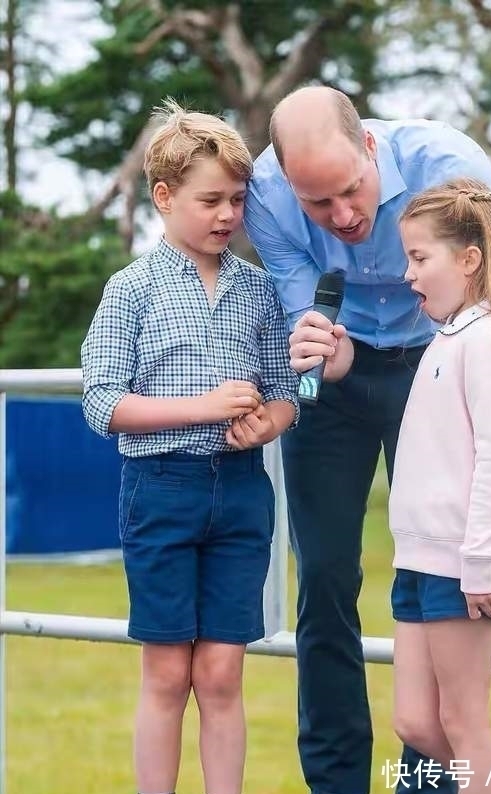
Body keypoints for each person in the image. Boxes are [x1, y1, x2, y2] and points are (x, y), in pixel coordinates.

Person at [244, 85, 491, 794]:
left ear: (370, 147)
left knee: (436, 574)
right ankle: (336, 782)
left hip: (435, 359)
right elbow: (307, 304)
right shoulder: (265, 192)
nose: (344, 217)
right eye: (317, 205)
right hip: (337, 375)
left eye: (351, 192)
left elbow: (483, 301)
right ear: (288, 184)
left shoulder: (454, 169)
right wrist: (331, 349)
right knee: (323, 578)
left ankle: (431, 780)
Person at [81, 99, 298, 794]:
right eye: (211, 200)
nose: (228, 214)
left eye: (237, 199)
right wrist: (201, 408)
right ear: (165, 196)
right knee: (169, 670)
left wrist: (271, 422)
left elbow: (286, 390)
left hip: (240, 492)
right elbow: (102, 404)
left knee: (223, 671)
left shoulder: (261, 292)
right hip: (160, 492)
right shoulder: (129, 290)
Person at [388, 178, 491, 794]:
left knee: (462, 723)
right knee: (417, 722)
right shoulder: (444, 340)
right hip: (419, 559)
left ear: (469, 259)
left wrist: (479, 561)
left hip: (465, 565)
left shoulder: (490, 343)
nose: (408, 275)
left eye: (420, 258)